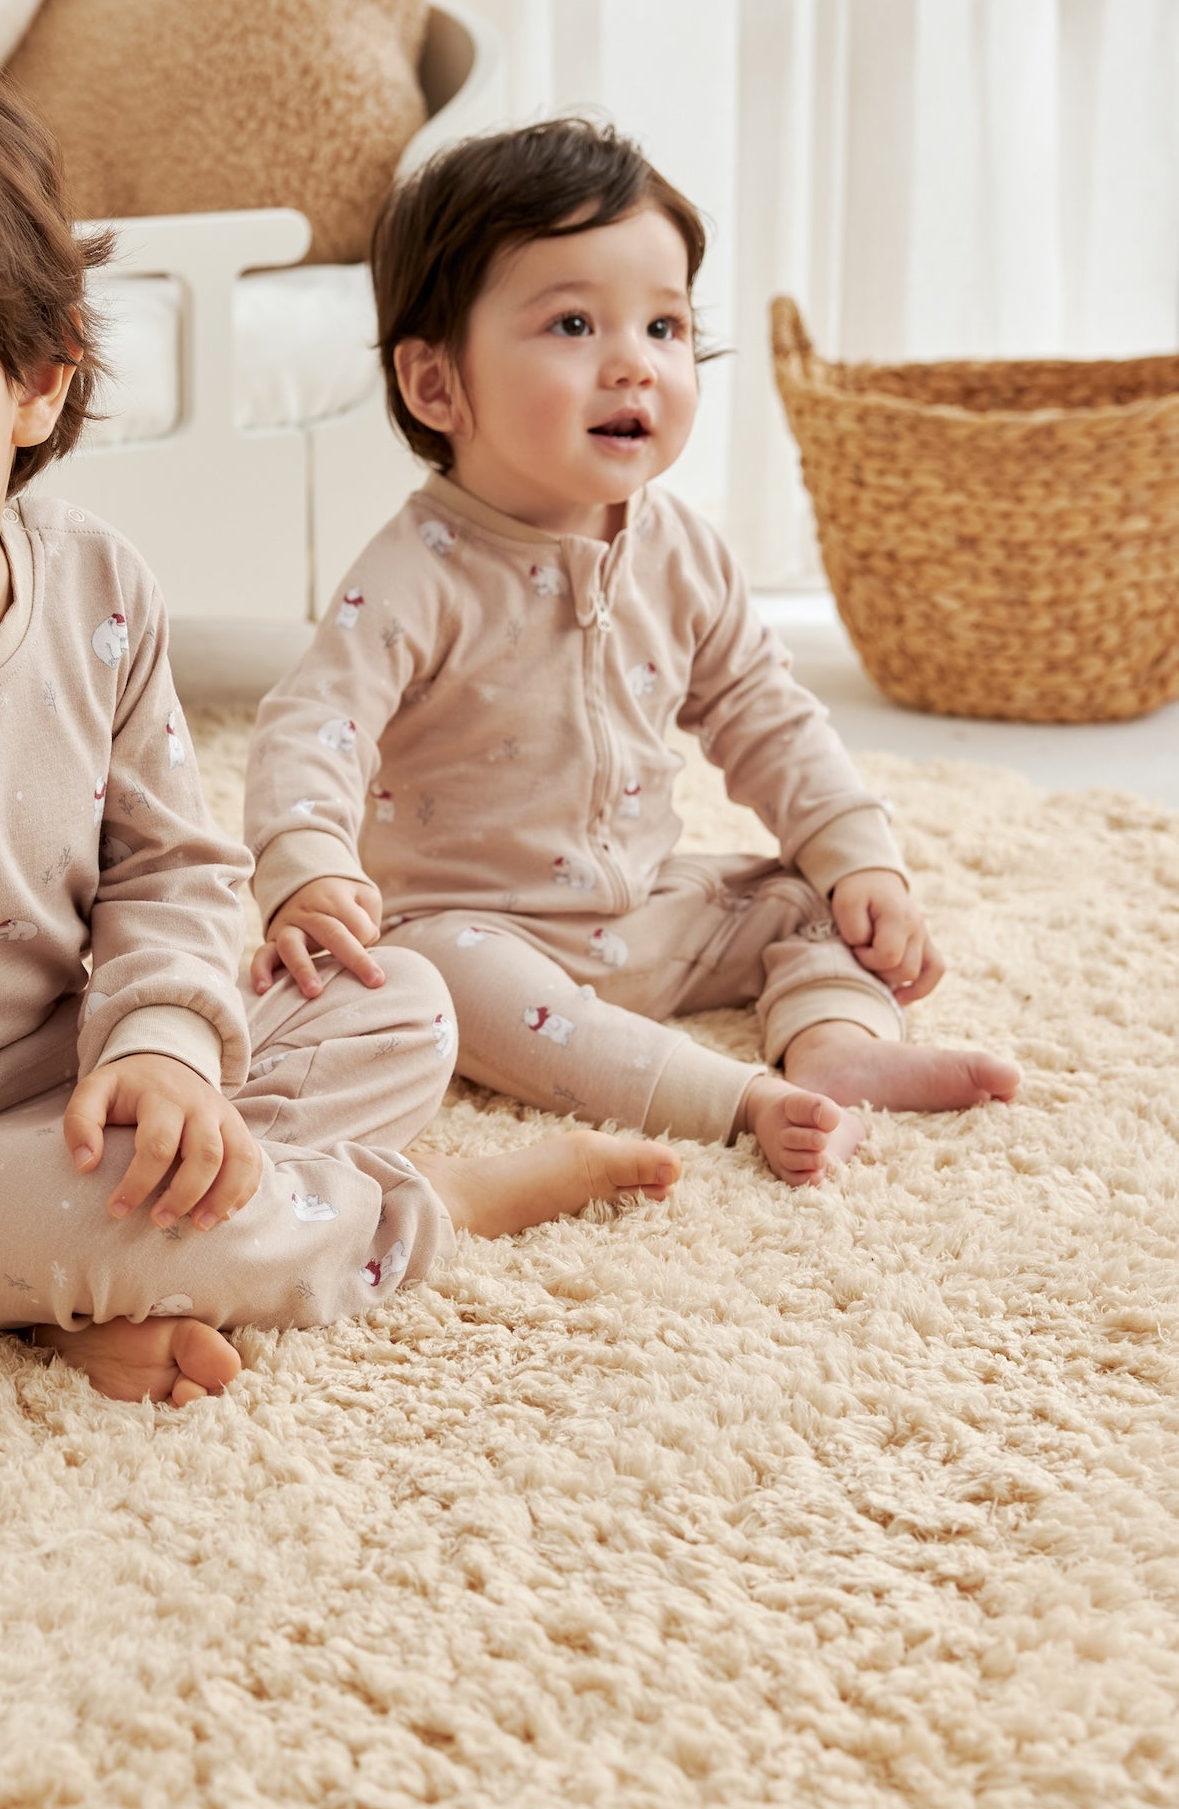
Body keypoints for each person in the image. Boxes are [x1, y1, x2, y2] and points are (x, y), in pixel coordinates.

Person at [0, 66, 676, 1459]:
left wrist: (164, 1049)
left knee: (399, 1003)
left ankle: (82, 1277)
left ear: (38, 379)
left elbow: (170, 865)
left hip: (83, 1062)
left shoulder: (97, 584)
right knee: (108, 1212)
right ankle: (424, 1203)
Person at [243, 118, 1019, 1187]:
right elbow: (311, 725)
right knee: (421, 974)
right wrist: (312, 869)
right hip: (479, 931)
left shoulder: (682, 548)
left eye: (665, 326)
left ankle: (837, 1042)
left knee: (811, 897)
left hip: (647, 911)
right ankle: (732, 1098)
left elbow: (763, 708)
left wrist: (859, 855)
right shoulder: (416, 573)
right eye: (573, 323)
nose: (634, 365)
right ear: (436, 385)